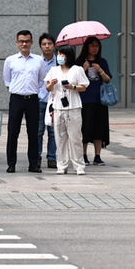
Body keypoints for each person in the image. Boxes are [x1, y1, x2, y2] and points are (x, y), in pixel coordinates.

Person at [2, 29, 47, 173]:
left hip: (33, 99)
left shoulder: (39, 60)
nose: (24, 44)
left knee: (33, 133)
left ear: (32, 42)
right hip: (16, 98)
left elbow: (41, 80)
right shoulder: (10, 60)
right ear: (17, 43)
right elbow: (7, 80)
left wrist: (32, 89)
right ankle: (11, 164)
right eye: (21, 41)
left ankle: (33, 164)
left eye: (27, 41)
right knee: (12, 132)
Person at [44, 45, 89, 175]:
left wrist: (72, 86)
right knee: (60, 137)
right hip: (58, 106)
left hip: (73, 106)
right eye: (58, 54)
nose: (59, 57)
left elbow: (84, 87)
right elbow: (47, 88)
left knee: (75, 137)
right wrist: (51, 84)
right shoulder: (54, 70)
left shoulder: (77, 69)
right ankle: (62, 165)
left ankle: (79, 165)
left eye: (62, 54)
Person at [75, 36, 112, 165]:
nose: (94, 48)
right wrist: (83, 69)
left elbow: (107, 79)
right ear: (87, 47)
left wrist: (100, 70)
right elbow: (73, 79)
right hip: (84, 99)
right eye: (92, 45)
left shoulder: (102, 62)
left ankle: (97, 155)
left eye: (97, 45)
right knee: (84, 127)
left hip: (99, 100)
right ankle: (83, 154)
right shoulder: (79, 62)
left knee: (99, 127)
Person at [37, 33, 58, 169]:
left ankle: (52, 158)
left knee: (53, 132)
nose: (47, 46)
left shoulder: (59, 62)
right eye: (44, 44)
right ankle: (37, 156)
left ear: (54, 45)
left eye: (49, 44)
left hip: (55, 101)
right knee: (38, 131)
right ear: (40, 46)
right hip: (39, 100)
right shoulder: (37, 61)